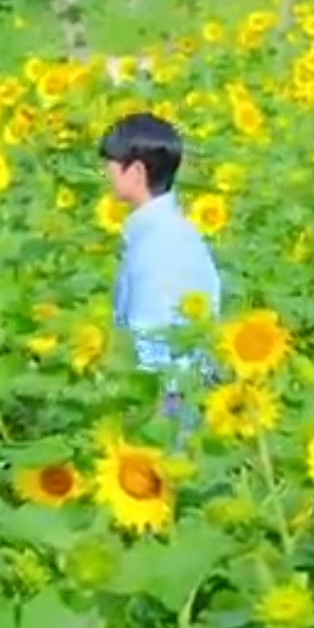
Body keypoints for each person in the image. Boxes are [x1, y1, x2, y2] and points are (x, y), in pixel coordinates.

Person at [99, 113, 222, 425]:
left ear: (136, 172)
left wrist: (134, 413)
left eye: (111, 164)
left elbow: (149, 343)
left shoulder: (157, 246)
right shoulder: (175, 231)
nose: (106, 173)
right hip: (188, 393)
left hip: (167, 405)